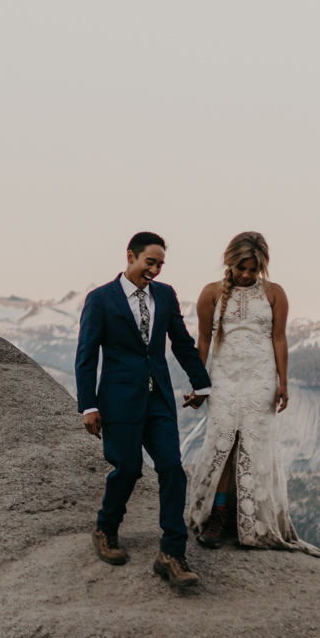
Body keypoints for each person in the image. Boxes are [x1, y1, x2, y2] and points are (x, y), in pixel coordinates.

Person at [75, 232, 212, 590]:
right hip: (118, 399)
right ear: (130, 256)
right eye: (150, 262)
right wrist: (88, 405)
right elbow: (87, 356)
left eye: (160, 264)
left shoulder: (165, 295)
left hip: (159, 400)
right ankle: (106, 527)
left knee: (172, 468)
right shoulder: (101, 299)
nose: (155, 269)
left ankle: (171, 552)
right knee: (129, 469)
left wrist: (202, 384)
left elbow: (181, 342)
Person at [185, 231, 320, 558]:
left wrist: (283, 382)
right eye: (241, 268)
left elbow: (279, 339)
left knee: (251, 443)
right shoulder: (210, 294)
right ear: (230, 263)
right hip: (223, 377)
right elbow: (204, 342)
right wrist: (199, 383)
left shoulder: (274, 293)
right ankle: (218, 515)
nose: (247, 275)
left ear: (263, 266)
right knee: (223, 441)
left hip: (261, 378)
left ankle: (248, 521)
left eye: (254, 269)